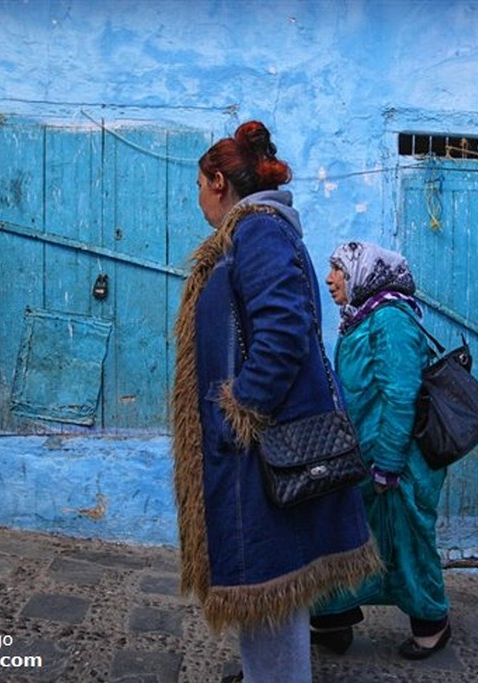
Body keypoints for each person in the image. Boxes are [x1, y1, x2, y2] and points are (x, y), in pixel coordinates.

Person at [171, 122, 380, 683]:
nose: (197, 198)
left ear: (219, 181)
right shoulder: (258, 231)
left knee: (270, 585)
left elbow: (284, 329)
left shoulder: (258, 232)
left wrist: (240, 406)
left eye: (198, 184)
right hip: (253, 446)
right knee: (265, 588)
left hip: (257, 448)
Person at [311, 241, 453, 660]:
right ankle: (332, 619)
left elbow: (401, 393)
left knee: (407, 544)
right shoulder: (363, 317)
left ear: (362, 273)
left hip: (397, 463)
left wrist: (389, 463)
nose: (330, 278)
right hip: (363, 457)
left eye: (338, 268)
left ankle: (432, 623)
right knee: (345, 540)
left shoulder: (390, 319)